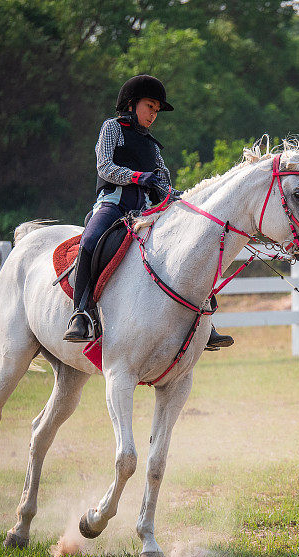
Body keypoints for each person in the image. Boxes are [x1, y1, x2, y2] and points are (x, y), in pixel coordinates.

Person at [63, 74, 234, 351]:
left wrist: (189, 200)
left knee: (186, 248)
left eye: (156, 110)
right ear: (131, 104)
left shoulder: (153, 146)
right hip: (113, 205)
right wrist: (137, 176)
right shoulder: (112, 128)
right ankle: (81, 312)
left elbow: (165, 185)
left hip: (145, 212)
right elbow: (104, 167)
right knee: (90, 242)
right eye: (150, 107)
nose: (153, 115)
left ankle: (204, 322)